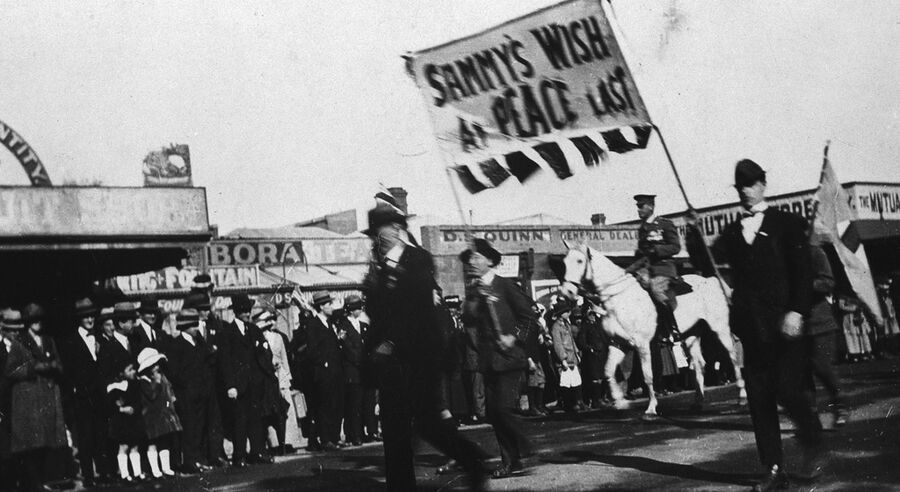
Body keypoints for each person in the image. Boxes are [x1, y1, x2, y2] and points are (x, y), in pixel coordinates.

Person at [687, 159, 823, 491]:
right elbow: (706, 263)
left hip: (785, 326)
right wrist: (693, 230)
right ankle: (774, 469)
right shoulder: (733, 232)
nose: (745, 191)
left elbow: (803, 273)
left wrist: (797, 311)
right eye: (740, 187)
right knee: (760, 399)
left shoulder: (787, 224)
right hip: (751, 329)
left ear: (763, 184)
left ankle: (813, 439)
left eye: (750, 184)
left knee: (789, 391)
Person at [363, 203, 488, 490]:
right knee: (395, 435)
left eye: (377, 233)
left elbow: (415, 312)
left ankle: (471, 460)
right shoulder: (378, 271)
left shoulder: (417, 260)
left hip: (420, 361)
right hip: (391, 366)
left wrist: (390, 342)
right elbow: (377, 317)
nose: (374, 239)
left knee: (428, 425)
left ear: (396, 230)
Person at [460, 238, 536, 479]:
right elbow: (469, 319)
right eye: (470, 258)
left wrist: (514, 338)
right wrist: (475, 298)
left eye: (476, 257)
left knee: (502, 409)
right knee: (494, 413)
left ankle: (522, 448)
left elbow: (528, 317)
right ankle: (511, 461)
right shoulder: (474, 290)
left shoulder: (505, 286)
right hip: (488, 360)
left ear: (490, 261)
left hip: (510, 358)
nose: (471, 262)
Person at [5, 305, 68, 491]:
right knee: (31, 445)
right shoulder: (20, 342)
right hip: (29, 399)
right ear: (28, 323)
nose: (38, 323)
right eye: (34, 320)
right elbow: (11, 370)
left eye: (40, 320)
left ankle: (40, 481)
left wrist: (54, 366)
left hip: (46, 397)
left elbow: (60, 365)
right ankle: (33, 484)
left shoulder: (48, 341)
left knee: (45, 444)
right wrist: (34, 368)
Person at [58, 298, 113, 488]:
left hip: (98, 395)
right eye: (85, 316)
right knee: (86, 437)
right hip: (82, 396)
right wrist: (77, 389)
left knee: (100, 434)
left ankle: (104, 473)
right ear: (79, 319)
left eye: (91, 316)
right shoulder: (71, 341)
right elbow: (69, 371)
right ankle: (89, 475)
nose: (89, 319)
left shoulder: (98, 337)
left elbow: (102, 367)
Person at [217, 295, 272, 467]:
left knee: (256, 419)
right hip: (239, 385)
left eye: (248, 310)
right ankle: (239, 456)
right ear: (236, 312)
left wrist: (263, 375)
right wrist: (230, 385)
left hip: (255, 383)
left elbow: (264, 352)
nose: (246, 313)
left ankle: (257, 452)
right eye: (242, 310)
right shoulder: (227, 333)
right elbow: (225, 361)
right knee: (239, 421)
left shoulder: (254, 330)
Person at [167, 307, 217, 473]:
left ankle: (199, 459)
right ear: (185, 326)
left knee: (200, 428)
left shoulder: (199, 342)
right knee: (189, 429)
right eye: (193, 325)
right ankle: (190, 461)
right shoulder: (176, 344)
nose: (197, 328)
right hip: (187, 395)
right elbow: (173, 372)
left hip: (201, 394)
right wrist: (187, 385)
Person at [626, 193, 683, 339]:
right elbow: (643, 257)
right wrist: (628, 271)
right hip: (647, 269)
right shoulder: (642, 229)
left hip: (664, 268)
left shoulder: (665, 224)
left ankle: (672, 327)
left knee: (656, 289)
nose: (638, 210)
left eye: (641, 206)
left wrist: (657, 250)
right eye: (637, 207)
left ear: (651, 206)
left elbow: (676, 247)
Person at [806, 244, 847, 427]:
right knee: (801, 374)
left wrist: (806, 282)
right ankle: (811, 417)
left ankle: (841, 406)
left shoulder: (815, 252)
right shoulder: (783, 255)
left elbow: (828, 282)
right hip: (796, 326)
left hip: (820, 322)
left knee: (823, 368)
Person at [255, 309, 301, 455]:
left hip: (281, 376)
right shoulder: (256, 340)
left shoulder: (278, 337)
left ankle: (288, 441)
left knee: (286, 409)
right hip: (266, 378)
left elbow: (284, 358)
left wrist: (288, 376)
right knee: (271, 410)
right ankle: (274, 443)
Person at [305, 291, 345, 451]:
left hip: (335, 373)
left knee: (335, 404)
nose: (331, 307)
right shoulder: (313, 324)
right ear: (321, 307)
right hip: (324, 373)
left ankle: (334, 437)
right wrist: (324, 363)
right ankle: (326, 438)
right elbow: (313, 350)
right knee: (325, 406)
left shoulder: (328, 324)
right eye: (328, 304)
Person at [137, 347, 182, 479]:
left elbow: (167, 397)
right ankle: (155, 469)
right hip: (151, 417)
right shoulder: (144, 381)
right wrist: (156, 382)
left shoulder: (162, 378)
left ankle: (165, 467)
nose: (157, 367)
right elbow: (152, 395)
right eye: (154, 365)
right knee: (153, 443)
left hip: (163, 415)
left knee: (165, 441)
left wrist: (169, 404)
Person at [105, 360, 145, 482]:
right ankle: (124, 474)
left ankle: (137, 473)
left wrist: (134, 408)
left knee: (135, 446)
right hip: (121, 422)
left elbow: (139, 401)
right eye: (129, 370)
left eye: (133, 369)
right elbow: (111, 405)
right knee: (124, 446)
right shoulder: (115, 388)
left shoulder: (135, 385)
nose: (133, 372)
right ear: (122, 373)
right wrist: (121, 409)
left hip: (133, 420)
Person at [549, 299, 585, 413]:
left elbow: (572, 341)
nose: (568, 313)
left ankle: (577, 402)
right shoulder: (556, 327)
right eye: (566, 312)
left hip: (572, 357)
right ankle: (569, 404)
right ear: (560, 314)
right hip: (565, 358)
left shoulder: (567, 325)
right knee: (566, 382)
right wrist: (563, 359)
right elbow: (558, 344)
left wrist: (577, 353)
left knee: (575, 380)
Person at [338, 295, 365, 447]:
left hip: (359, 370)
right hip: (351, 370)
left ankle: (358, 433)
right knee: (353, 404)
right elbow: (346, 346)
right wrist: (359, 360)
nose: (360, 310)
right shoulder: (344, 325)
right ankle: (353, 435)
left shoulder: (359, 324)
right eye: (357, 307)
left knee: (359, 404)